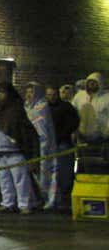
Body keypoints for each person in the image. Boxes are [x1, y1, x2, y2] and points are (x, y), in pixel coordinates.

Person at [0, 82, 40, 213]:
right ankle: (8, 202)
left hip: (15, 151)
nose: (1, 95)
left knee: (20, 178)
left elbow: (24, 129)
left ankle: (24, 204)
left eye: (3, 92)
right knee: (4, 179)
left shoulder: (16, 108)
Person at [48, 84, 81, 213]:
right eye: (49, 95)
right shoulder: (44, 108)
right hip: (49, 146)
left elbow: (73, 123)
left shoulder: (66, 107)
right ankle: (53, 199)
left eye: (54, 94)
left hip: (62, 144)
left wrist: (62, 135)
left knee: (64, 173)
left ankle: (64, 200)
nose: (51, 97)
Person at [25, 82, 57, 210]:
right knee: (33, 174)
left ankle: (48, 199)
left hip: (44, 145)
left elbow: (42, 128)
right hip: (31, 146)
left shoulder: (42, 106)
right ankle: (37, 199)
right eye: (27, 92)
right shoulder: (26, 106)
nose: (29, 94)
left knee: (46, 174)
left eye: (31, 92)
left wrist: (42, 145)